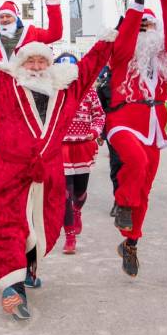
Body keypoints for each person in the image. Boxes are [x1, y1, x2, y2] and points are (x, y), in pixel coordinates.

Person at [0, 11, 120, 321]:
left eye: (41, 61)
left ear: (49, 65)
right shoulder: (1, 84)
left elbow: (91, 66)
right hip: (7, 174)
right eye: (30, 61)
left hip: (48, 176)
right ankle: (12, 287)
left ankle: (29, 268)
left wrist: (113, 35)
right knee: (3, 225)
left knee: (42, 226)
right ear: (19, 65)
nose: (36, 66)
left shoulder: (65, 89)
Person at [106, 0, 167, 278]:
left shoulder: (164, 57)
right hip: (123, 120)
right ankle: (123, 204)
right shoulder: (121, 55)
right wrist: (137, 6)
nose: (144, 30)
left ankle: (131, 243)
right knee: (135, 162)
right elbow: (125, 36)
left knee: (145, 188)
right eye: (140, 27)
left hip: (153, 126)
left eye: (149, 25)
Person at [55, 53, 105, 255]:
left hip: (83, 146)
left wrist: (94, 131)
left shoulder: (89, 91)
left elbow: (99, 115)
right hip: (60, 148)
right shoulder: (52, 92)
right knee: (64, 195)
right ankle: (69, 236)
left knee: (79, 192)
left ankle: (77, 210)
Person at [95, 64, 122, 216]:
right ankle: (119, 201)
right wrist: (100, 132)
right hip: (114, 130)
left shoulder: (136, 79)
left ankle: (131, 199)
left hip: (136, 129)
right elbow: (100, 110)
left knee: (133, 165)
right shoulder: (105, 84)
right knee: (117, 165)